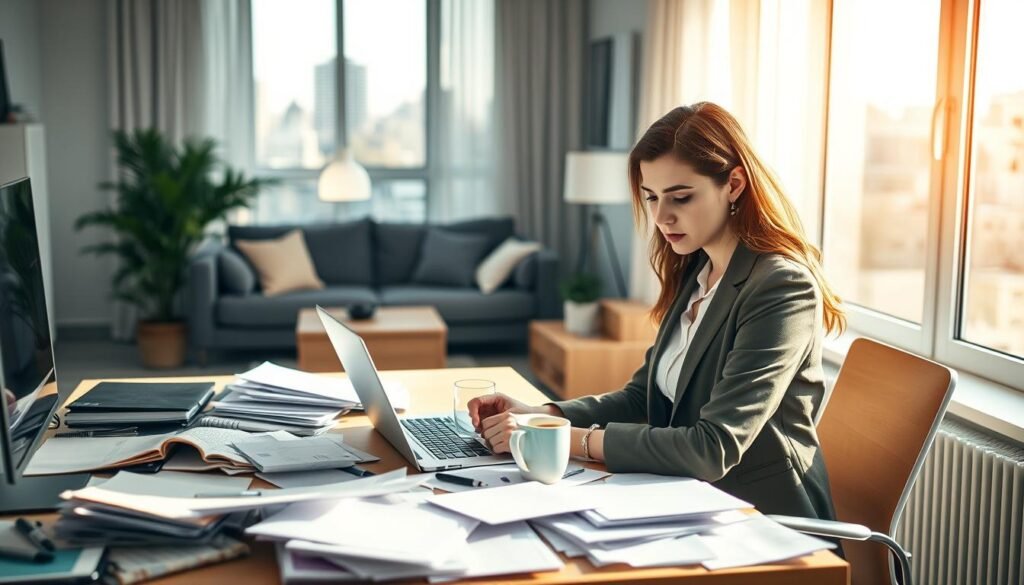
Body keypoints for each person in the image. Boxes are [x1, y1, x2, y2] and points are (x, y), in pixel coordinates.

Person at [469, 102, 845, 520]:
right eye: (651, 197)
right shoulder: (696, 269)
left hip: (761, 519)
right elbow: (642, 398)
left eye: (681, 197)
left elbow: (711, 448)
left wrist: (564, 439)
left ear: (734, 184)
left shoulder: (780, 287)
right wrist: (542, 414)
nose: (662, 217)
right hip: (686, 499)